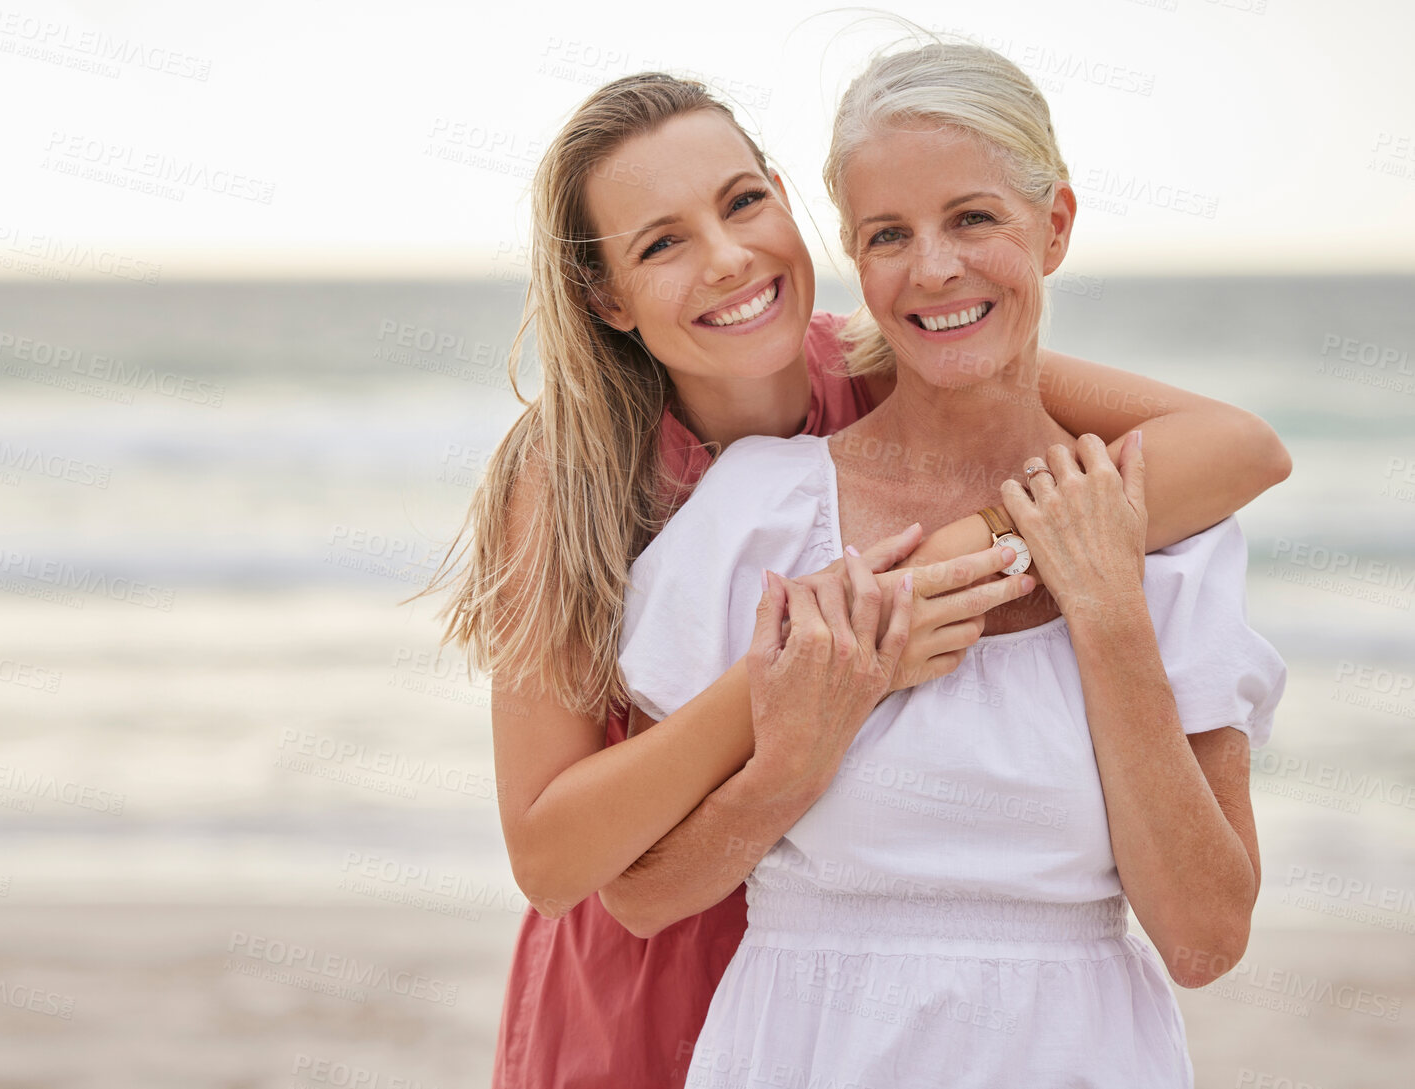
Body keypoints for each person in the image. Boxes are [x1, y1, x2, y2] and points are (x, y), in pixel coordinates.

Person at [413, 71, 1291, 1088]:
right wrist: (832, 657)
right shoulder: (571, 472)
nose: (730, 256)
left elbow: (1234, 448)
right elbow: (555, 860)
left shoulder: (901, 353)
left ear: (787, 200)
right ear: (606, 296)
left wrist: (963, 552)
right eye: (662, 243)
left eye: (744, 201)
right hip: (657, 959)